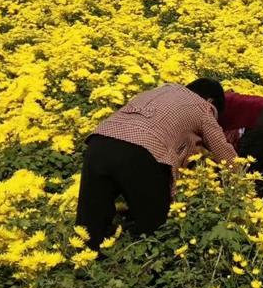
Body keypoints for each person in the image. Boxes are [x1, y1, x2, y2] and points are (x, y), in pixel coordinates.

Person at [75, 79, 236, 247]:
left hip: (99, 141)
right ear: (211, 101)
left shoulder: (161, 90)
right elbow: (223, 151)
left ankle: (85, 258)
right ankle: (144, 259)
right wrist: (241, 180)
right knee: (155, 227)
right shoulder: (203, 107)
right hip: (141, 150)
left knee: (91, 223)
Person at [219, 91, 263, 197]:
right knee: (257, 169)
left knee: (241, 174)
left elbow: (218, 141)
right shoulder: (218, 97)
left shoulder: (202, 108)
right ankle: (260, 197)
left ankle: (243, 200)